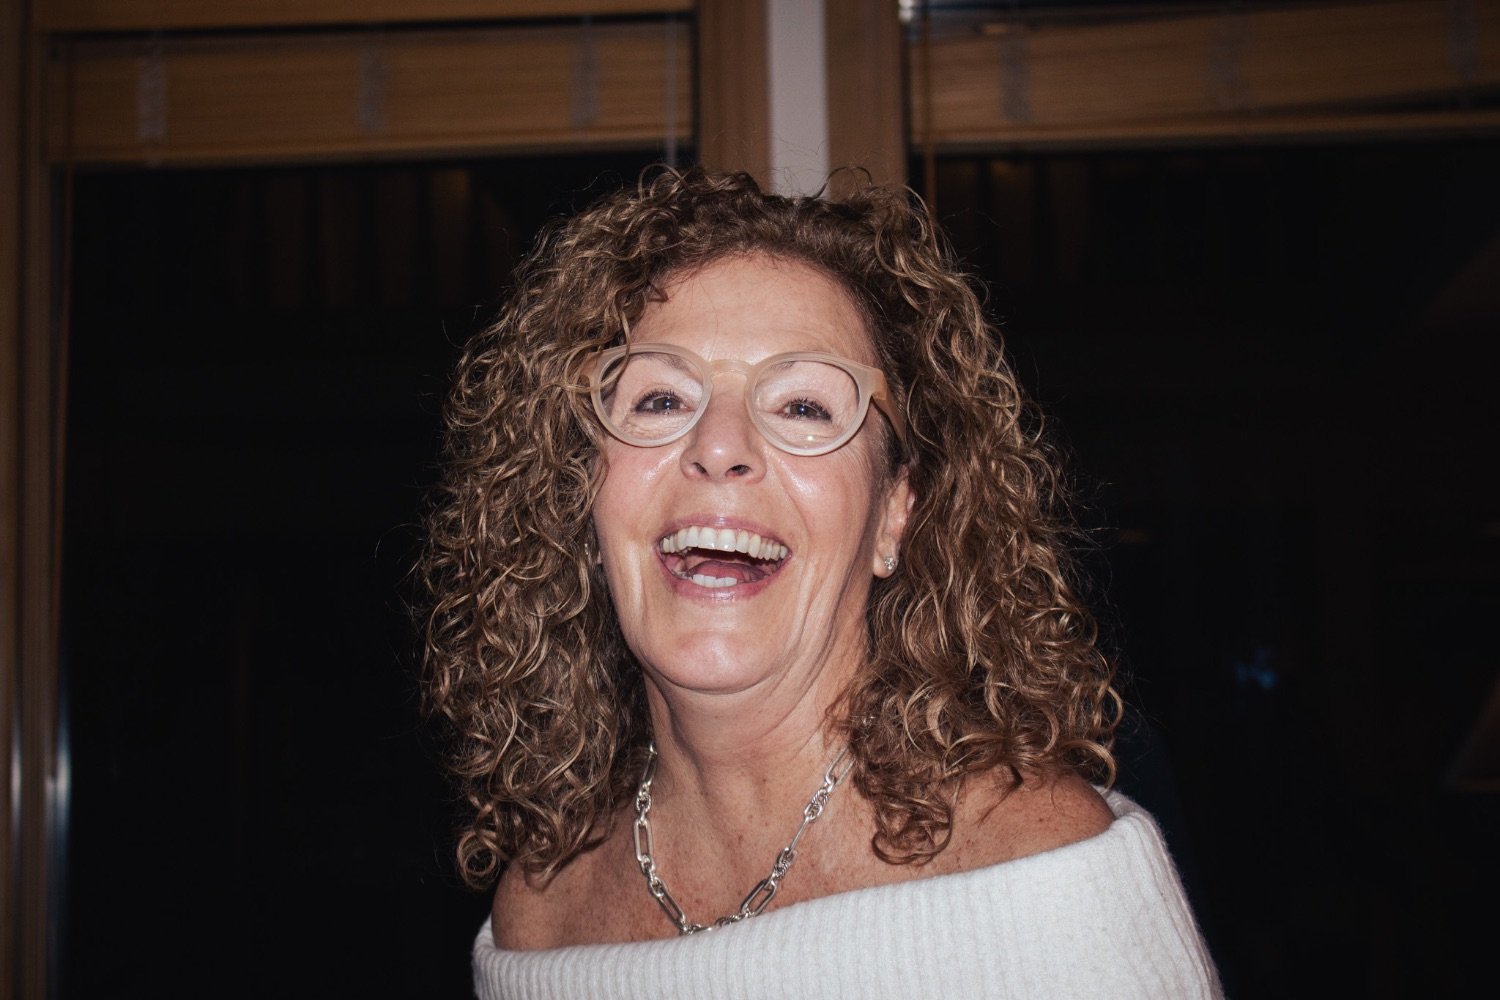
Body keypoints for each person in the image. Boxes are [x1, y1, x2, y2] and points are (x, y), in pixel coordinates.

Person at [419, 167, 1222, 999]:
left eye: (804, 407)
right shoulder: (541, 917)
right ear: (580, 494)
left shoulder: (1045, 874)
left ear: (893, 514)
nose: (720, 445)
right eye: (659, 399)